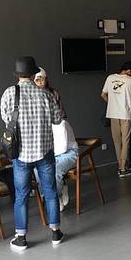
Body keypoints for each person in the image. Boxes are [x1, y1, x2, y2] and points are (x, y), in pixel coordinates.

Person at [1, 56, 63, 252]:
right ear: (34, 73)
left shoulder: (9, 93)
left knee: (21, 195)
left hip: (21, 154)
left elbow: (6, 119)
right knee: (50, 192)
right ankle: (55, 233)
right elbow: (57, 119)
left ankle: (21, 238)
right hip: (45, 152)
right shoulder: (46, 94)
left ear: (18, 75)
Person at [34, 67, 75, 211]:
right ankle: (53, 196)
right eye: (37, 80)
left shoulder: (53, 94)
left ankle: (54, 196)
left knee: (54, 168)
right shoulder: (31, 97)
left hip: (63, 149)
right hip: (45, 149)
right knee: (38, 170)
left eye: (43, 79)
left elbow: (62, 141)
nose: (41, 82)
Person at [101, 62, 131, 178]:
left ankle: (120, 167)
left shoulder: (110, 78)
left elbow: (103, 95)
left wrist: (113, 103)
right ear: (129, 71)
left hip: (112, 114)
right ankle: (123, 169)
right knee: (125, 141)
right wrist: (126, 103)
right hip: (125, 114)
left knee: (117, 142)